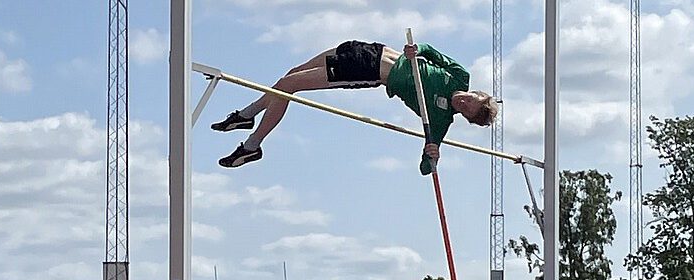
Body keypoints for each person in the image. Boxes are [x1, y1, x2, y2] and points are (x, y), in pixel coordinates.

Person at [211, 40, 498, 174]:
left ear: (464, 117)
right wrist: (416, 51)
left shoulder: (439, 119)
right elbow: (429, 50)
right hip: (372, 49)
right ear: (476, 92)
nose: (463, 103)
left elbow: (426, 165)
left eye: (466, 110)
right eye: (470, 100)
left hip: (366, 70)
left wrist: (431, 156)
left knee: (289, 87)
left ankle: (252, 144)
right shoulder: (460, 75)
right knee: (290, 74)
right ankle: (247, 116)